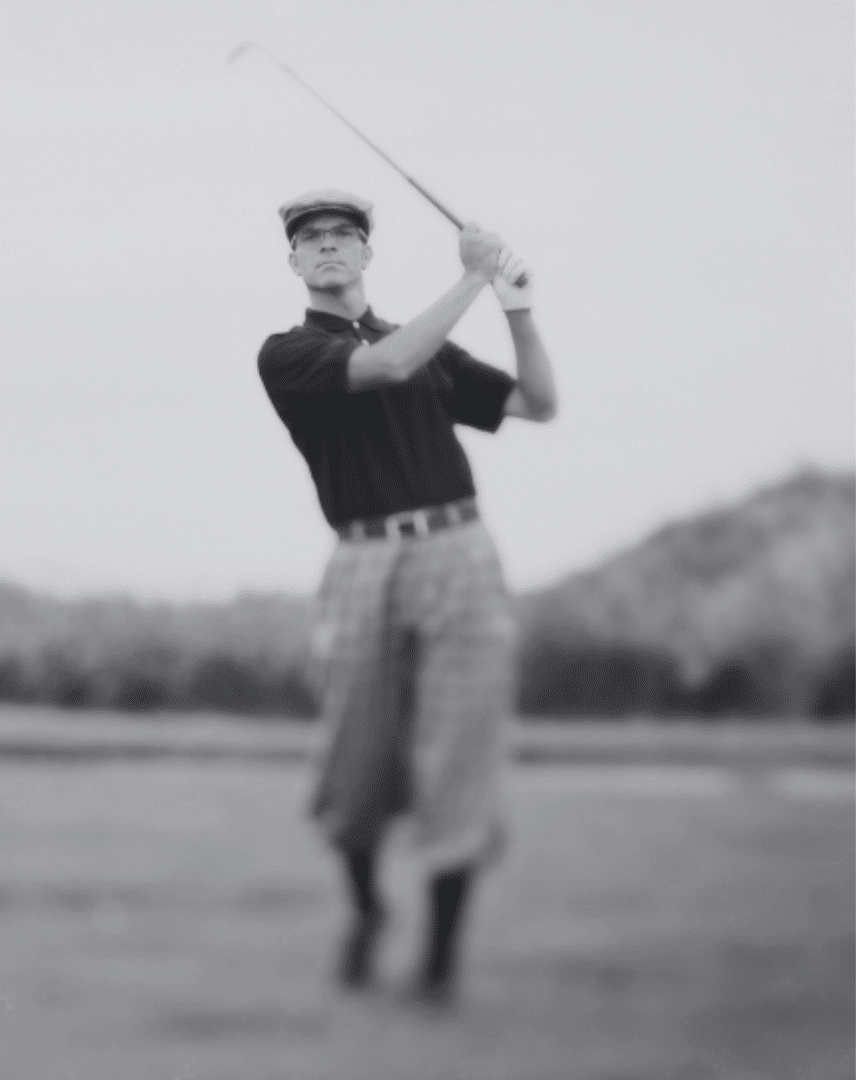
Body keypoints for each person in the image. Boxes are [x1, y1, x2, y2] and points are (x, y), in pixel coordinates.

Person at [256, 189, 557, 1006]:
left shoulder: (424, 341)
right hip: (363, 560)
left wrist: (516, 308)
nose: (326, 246)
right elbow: (384, 366)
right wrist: (470, 280)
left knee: (461, 754)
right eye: (309, 238)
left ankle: (439, 968)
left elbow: (537, 404)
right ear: (293, 262)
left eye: (342, 234)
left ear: (364, 254)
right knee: (357, 765)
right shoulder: (288, 352)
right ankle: (366, 911)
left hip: (461, 552)